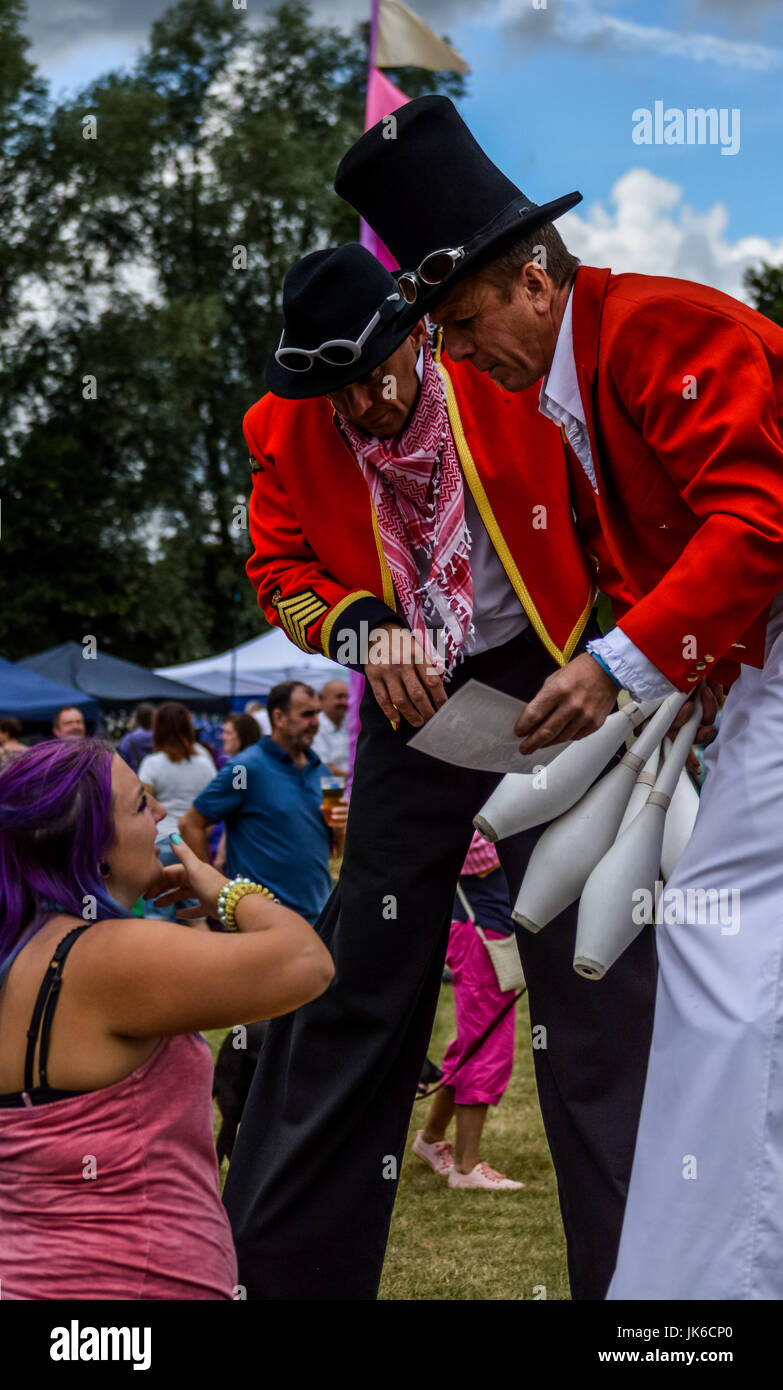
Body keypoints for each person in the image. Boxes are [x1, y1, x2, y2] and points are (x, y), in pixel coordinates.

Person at [337, 94, 783, 1300]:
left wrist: (622, 666)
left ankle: (707, 1289)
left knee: (720, 955)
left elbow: (755, 522)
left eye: (469, 318)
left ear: (537, 279)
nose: (465, 354)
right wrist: (670, 680)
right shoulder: (573, 383)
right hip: (750, 682)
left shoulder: (661, 331)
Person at [221, 242, 656, 1302]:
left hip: (547, 681)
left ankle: (645, 1282)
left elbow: (606, 511)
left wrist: (626, 655)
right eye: (339, 390)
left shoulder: (503, 375)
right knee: (359, 976)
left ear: (421, 336)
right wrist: (364, 629)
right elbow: (278, 570)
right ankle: (282, 1273)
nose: (365, 404)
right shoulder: (281, 428)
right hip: (407, 691)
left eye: (380, 373)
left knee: (596, 977)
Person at [0, 738, 333, 1299]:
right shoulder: (107, 957)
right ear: (90, 845)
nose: (161, 815)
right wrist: (227, 892)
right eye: (140, 806)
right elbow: (307, 963)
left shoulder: (18, 951)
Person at [179, 681, 346, 926]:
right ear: (279, 717)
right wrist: (211, 887)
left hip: (318, 918)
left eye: (318, 713)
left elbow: (335, 848)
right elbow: (191, 823)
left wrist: (340, 830)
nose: (316, 723)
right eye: (307, 714)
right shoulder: (245, 769)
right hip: (261, 921)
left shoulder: (320, 770)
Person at [413, 832, 524, 1191]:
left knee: (471, 1046)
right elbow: (472, 854)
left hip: (486, 929)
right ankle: (466, 1169)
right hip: (481, 933)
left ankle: (430, 1141)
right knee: (487, 1052)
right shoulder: (477, 788)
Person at [138, 703, 216, 921]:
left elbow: (142, 807)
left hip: (161, 842)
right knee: (197, 915)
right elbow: (212, 808)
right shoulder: (205, 764)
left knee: (158, 914)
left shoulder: (152, 764)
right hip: (192, 845)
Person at [311, 679, 349, 775]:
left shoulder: (348, 724)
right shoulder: (316, 727)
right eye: (339, 697)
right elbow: (325, 769)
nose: (345, 702)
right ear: (322, 699)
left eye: (347, 697)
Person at [117, 703, 155, 774]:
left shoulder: (129, 739)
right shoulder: (160, 737)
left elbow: (121, 760)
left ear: (137, 719)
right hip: (155, 778)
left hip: (135, 778)